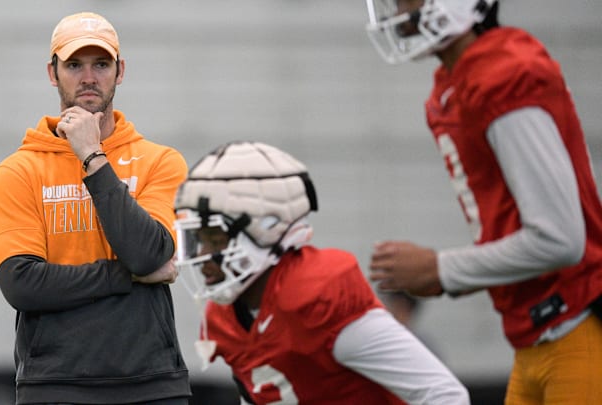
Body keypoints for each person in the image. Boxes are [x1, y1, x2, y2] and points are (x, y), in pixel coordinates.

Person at [364, 1, 602, 403]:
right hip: (536, 337)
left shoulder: (502, 73)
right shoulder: (456, 82)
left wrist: (441, 270)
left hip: (575, 326)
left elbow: (561, 239)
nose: (397, 8)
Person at [0, 12, 191, 404]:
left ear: (120, 71)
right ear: (53, 72)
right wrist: (127, 276)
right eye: (74, 65)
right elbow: (22, 284)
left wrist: (92, 157)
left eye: (101, 64)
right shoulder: (20, 170)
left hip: (152, 385)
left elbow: (148, 254)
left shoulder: (161, 161)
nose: (88, 77)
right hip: (55, 386)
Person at [173, 141, 470, 404]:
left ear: (265, 229)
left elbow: (444, 394)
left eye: (215, 239)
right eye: (199, 240)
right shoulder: (223, 317)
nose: (202, 256)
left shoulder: (318, 299)